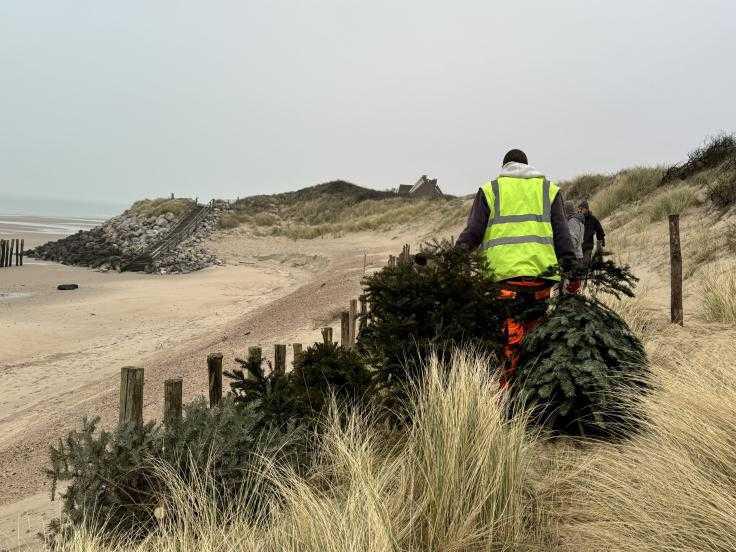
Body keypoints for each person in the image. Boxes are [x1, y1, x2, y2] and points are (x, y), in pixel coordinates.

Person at [456, 149, 579, 386]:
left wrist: (452, 261)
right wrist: (571, 269)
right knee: (536, 334)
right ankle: (535, 388)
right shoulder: (548, 190)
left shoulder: (491, 190)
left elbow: (472, 233)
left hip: (504, 282)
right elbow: (562, 234)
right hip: (540, 282)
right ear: (527, 166)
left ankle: (506, 393)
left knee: (508, 339)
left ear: (504, 167)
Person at [578, 200, 606, 266]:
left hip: (588, 245)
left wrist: (601, 240)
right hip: (579, 246)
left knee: (586, 262)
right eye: (580, 209)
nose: (581, 210)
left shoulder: (593, 219)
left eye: (583, 208)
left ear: (587, 209)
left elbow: (599, 230)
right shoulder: (577, 219)